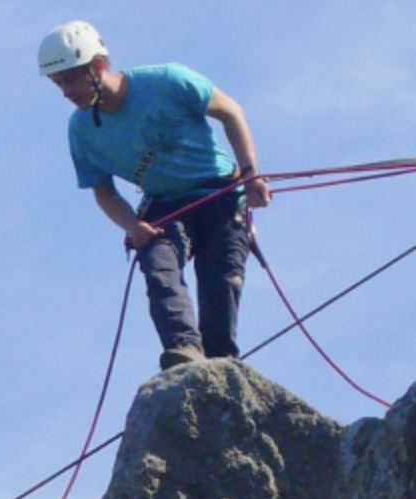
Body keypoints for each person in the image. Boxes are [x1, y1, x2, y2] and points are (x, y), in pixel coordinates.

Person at [38, 21, 273, 371]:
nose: (66, 92)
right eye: (59, 84)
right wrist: (133, 227)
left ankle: (222, 365)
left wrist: (250, 173)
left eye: (71, 78)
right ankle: (184, 350)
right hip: (165, 206)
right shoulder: (81, 131)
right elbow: (104, 193)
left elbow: (230, 112)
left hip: (219, 195)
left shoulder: (167, 80)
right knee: (157, 262)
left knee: (221, 285)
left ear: (98, 66)